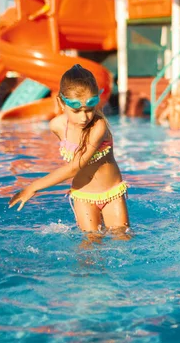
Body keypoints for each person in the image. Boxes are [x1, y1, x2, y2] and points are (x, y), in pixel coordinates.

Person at [8, 64, 130, 235]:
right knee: (89, 245)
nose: (84, 117)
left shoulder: (98, 126)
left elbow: (75, 166)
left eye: (89, 110)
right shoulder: (57, 126)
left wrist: (34, 186)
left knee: (121, 239)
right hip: (83, 196)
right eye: (76, 111)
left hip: (111, 194)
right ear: (60, 102)